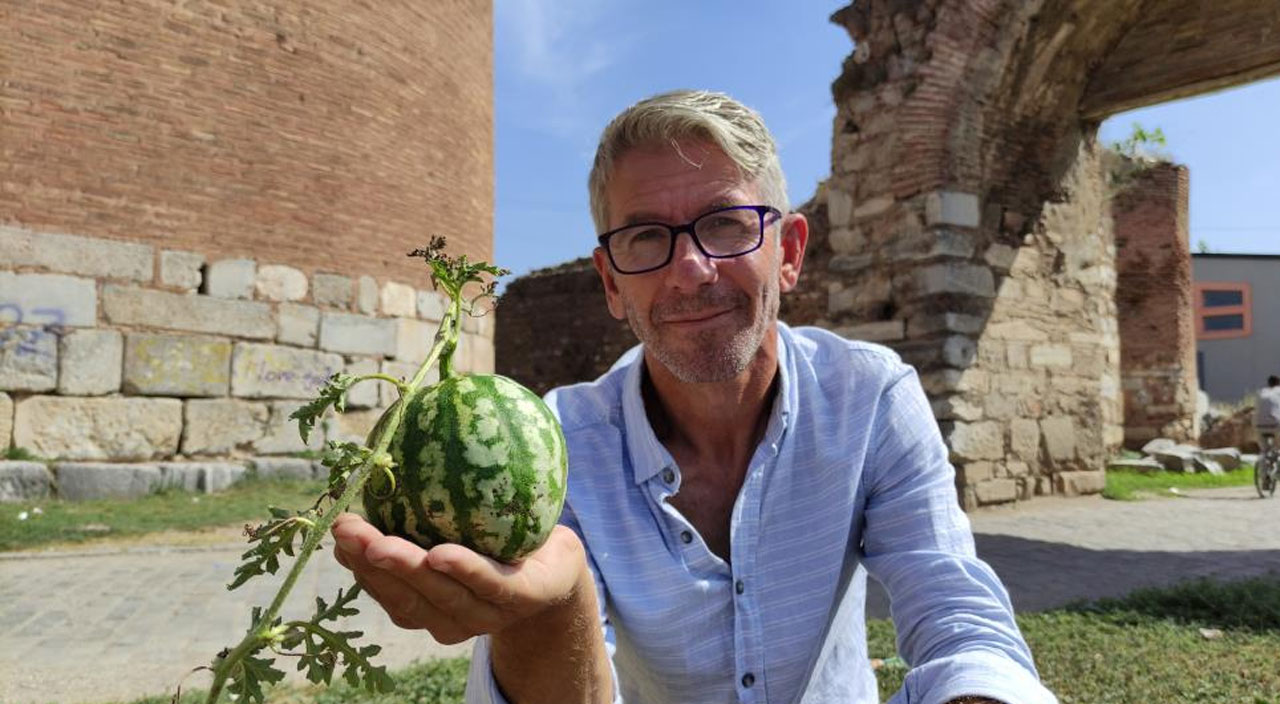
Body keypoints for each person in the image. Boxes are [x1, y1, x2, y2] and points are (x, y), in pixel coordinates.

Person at [331, 90, 1056, 704]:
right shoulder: (558, 443)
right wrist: (553, 605)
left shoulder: (869, 398)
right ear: (611, 283)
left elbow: (959, 618)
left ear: (789, 252)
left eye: (726, 225)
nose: (691, 270)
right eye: (646, 238)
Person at [1256, 375, 1280, 451]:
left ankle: (1264, 452)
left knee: (1265, 448)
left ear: (1268, 384)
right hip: (1275, 424)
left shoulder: (1261, 392)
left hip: (1259, 425)